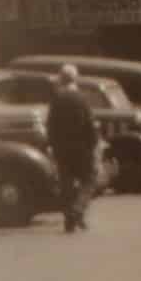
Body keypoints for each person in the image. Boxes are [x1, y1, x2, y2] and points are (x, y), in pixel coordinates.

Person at [44, 63, 99, 233]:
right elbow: (90, 125)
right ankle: (77, 210)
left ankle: (70, 220)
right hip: (82, 148)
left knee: (66, 183)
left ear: (61, 79)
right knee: (89, 180)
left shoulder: (56, 99)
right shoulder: (81, 99)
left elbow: (50, 125)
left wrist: (52, 145)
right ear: (75, 79)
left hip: (62, 148)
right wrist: (93, 144)